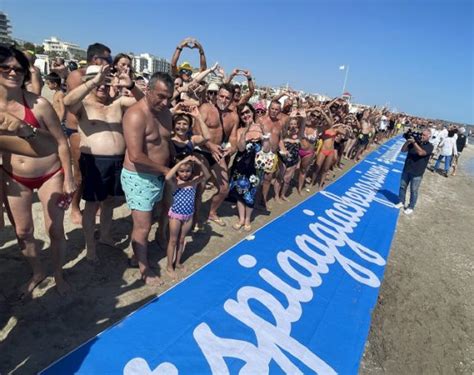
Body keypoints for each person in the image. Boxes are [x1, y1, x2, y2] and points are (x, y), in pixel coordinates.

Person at [0, 46, 75, 296]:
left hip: (49, 173)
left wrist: (69, 178)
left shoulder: (39, 104)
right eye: (6, 67)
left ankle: (58, 274)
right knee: (22, 232)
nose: (13, 72)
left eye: (19, 69)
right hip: (13, 176)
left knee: (55, 229)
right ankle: (37, 271)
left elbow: (62, 142)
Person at [63, 64, 143, 263]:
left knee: (109, 203)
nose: (102, 86)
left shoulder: (117, 103)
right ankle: (91, 247)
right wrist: (94, 81)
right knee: (92, 205)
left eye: (105, 82)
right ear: (88, 81)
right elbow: (67, 101)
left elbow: (145, 103)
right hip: (94, 162)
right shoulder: (83, 106)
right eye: (97, 81)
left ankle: (105, 236)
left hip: (117, 161)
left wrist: (131, 85)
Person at [121, 72, 174, 285]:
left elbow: (165, 141)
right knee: (142, 225)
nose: (166, 101)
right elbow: (136, 155)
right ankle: (144, 268)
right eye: (161, 96)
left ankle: (141, 252)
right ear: (148, 91)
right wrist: (164, 170)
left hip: (161, 174)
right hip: (139, 177)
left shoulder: (166, 112)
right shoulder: (135, 115)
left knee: (157, 215)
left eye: (169, 97)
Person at [65, 42, 113, 225]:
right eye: (108, 59)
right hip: (76, 128)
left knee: (95, 172)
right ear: (96, 59)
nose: (111, 62)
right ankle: (75, 207)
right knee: (79, 173)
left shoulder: (104, 76)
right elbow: (79, 98)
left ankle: (93, 203)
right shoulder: (76, 76)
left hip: (93, 127)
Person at [195, 83, 238, 226]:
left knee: (225, 188)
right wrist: (210, 145)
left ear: (232, 100)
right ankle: (194, 218)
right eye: (221, 96)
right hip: (201, 150)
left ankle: (212, 212)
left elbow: (233, 138)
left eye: (227, 98)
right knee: (199, 186)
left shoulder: (233, 117)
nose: (223, 100)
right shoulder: (206, 108)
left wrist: (231, 149)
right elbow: (196, 132)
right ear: (216, 95)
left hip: (218, 153)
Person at [165, 155, 210, 280]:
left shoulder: (194, 181)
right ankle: (169, 266)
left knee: (181, 239)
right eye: (182, 171)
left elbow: (207, 176)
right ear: (178, 171)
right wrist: (182, 161)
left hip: (188, 215)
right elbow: (168, 176)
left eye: (188, 171)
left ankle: (178, 262)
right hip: (176, 215)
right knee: (173, 240)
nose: (185, 174)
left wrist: (200, 164)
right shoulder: (175, 182)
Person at [229, 104, 267, 231]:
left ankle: (247, 219)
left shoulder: (261, 128)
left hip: (256, 167)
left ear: (252, 112)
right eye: (243, 114)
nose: (246, 115)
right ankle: (241, 219)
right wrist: (246, 130)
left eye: (248, 112)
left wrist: (263, 133)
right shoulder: (240, 130)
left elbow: (267, 148)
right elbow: (240, 148)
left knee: (251, 193)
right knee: (240, 193)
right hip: (241, 167)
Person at [396, 129, 433, 215]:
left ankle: (411, 206)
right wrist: (408, 142)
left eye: (424, 135)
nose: (422, 136)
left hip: (417, 172)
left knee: (414, 190)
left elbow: (421, 153)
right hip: (407, 169)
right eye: (422, 134)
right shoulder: (414, 143)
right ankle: (401, 202)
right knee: (402, 187)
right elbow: (403, 150)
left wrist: (414, 143)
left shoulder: (430, 146)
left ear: (429, 136)